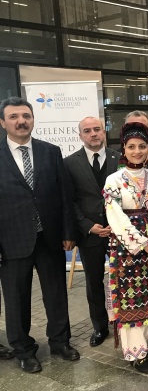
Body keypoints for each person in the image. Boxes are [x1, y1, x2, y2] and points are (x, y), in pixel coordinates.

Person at [0, 97, 79, 373]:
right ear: (3, 122)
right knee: (16, 298)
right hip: (11, 241)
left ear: (33, 119)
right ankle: (23, 349)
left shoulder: (50, 152)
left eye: (26, 115)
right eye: (13, 117)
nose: (21, 121)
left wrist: (69, 232)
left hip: (49, 237)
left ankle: (60, 342)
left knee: (56, 293)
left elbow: (64, 197)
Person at [103, 122, 148, 374]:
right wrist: (144, 244)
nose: (137, 151)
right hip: (129, 251)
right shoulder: (114, 179)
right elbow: (116, 217)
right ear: (124, 148)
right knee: (134, 301)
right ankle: (138, 353)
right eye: (131, 147)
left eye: (142, 146)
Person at [63, 116, 119, 347]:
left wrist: (118, 225)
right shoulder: (69, 163)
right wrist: (87, 225)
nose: (93, 134)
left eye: (97, 129)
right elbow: (69, 200)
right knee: (94, 282)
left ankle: (125, 321)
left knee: (124, 279)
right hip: (90, 234)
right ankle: (99, 327)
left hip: (120, 232)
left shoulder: (120, 159)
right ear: (80, 136)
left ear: (104, 132)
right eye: (87, 131)